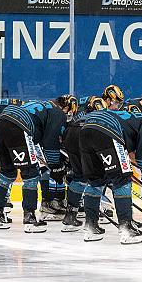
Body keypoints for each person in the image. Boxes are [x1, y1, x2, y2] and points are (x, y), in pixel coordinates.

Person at [79, 96, 142, 243]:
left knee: (96, 181)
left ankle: (91, 228)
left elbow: (134, 153)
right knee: (122, 179)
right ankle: (127, 230)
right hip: (107, 130)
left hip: (86, 129)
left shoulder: (134, 117)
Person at [0, 96, 77, 232]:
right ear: (65, 108)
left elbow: (40, 140)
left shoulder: (41, 104)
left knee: (7, 173)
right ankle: (29, 218)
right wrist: (56, 167)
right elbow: (50, 143)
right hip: (19, 127)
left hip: (0, 125)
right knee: (31, 174)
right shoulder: (58, 113)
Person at [60, 95, 108, 232]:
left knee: (79, 177)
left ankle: (70, 215)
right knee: (96, 178)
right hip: (86, 133)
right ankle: (91, 220)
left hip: (71, 134)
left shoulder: (80, 114)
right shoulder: (100, 117)